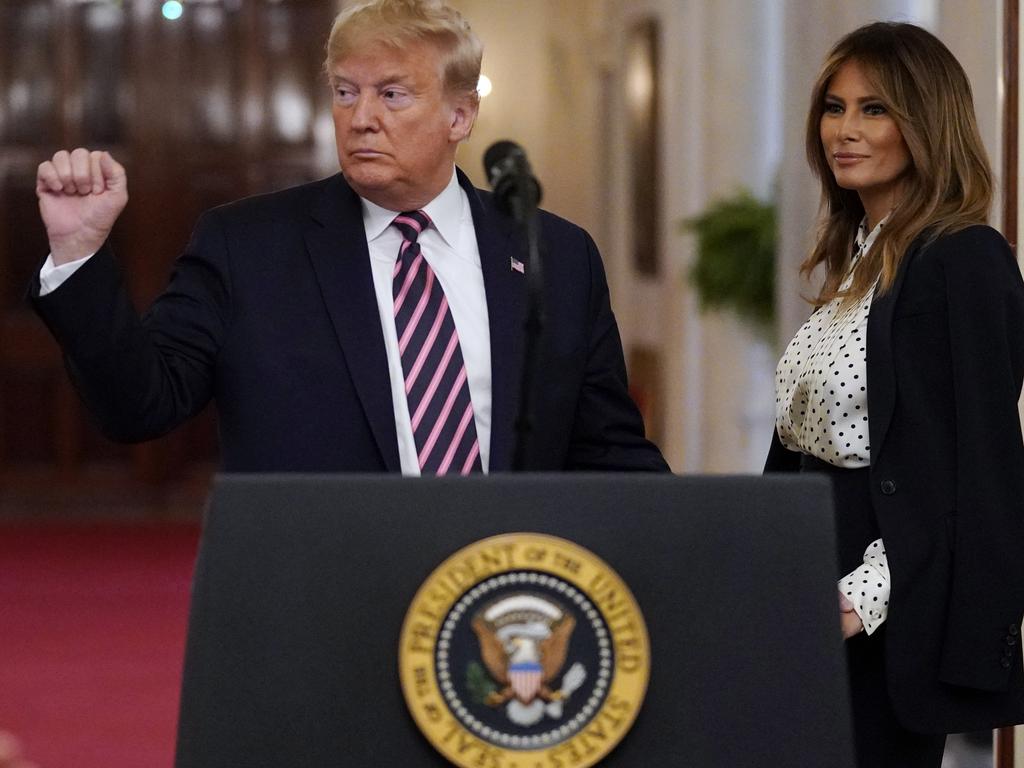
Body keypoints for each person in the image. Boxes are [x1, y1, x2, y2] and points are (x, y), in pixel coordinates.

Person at [30, 0, 667, 476]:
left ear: (460, 115)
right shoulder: (246, 247)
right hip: (320, 597)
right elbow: (140, 405)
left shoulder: (555, 255)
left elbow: (609, 452)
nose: (361, 119)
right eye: (345, 93)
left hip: (499, 603)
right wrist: (79, 255)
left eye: (392, 95)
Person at [766, 21, 1024, 767]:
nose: (844, 130)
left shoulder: (964, 260)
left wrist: (862, 598)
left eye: (874, 109)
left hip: (882, 607)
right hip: (806, 575)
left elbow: (976, 470)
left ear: (926, 121)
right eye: (834, 107)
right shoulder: (859, 259)